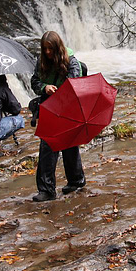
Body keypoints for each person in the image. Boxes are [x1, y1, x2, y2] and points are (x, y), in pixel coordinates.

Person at [30, 30, 85, 202]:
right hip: (50, 106)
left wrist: (60, 92)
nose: (47, 52)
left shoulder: (71, 61)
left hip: (68, 106)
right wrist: (44, 87)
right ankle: (47, 190)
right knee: (47, 147)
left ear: (58, 47)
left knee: (69, 144)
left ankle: (76, 181)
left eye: (50, 49)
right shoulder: (41, 61)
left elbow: (75, 83)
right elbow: (34, 81)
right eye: (45, 49)